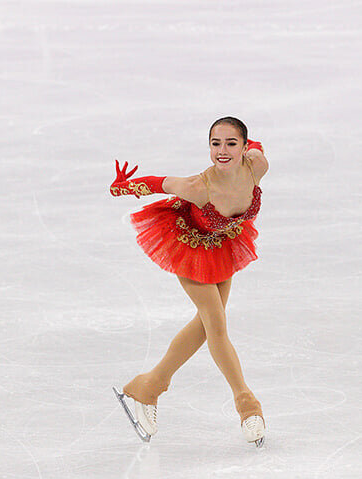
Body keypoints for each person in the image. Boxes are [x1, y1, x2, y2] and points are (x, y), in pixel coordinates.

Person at [109, 116, 269, 447]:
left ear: (243, 147)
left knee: (206, 325)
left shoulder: (257, 166)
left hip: (223, 244)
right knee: (217, 327)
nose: (222, 151)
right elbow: (158, 183)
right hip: (189, 244)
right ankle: (246, 403)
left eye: (231, 143)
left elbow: (258, 146)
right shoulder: (198, 186)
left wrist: (252, 146)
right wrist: (121, 186)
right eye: (215, 144)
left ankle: (149, 385)